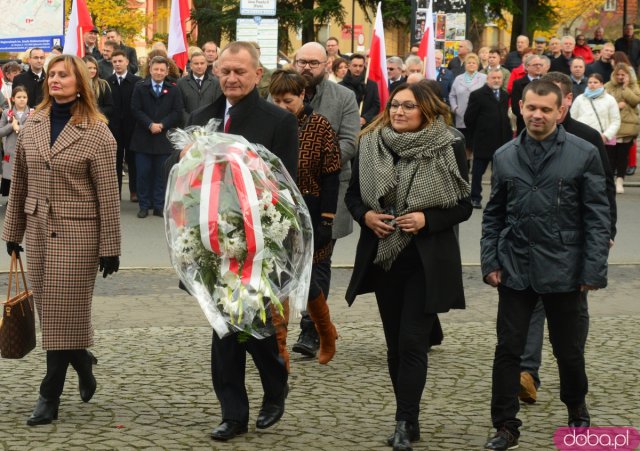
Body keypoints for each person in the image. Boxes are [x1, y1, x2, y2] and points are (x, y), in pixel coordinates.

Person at [165, 41, 297, 442]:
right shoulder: (202, 117)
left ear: (259, 75)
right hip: (210, 243)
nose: (231, 78)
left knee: (254, 326)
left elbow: (285, 183)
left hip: (259, 244)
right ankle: (233, 413)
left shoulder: (278, 120)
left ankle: (275, 387)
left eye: (240, 71)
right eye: (225, 71)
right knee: (223, 330)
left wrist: (272, 234)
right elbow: (187, 179)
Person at [481, 80, 610, 450]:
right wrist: (491, 260)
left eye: (545, 109)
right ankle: (506, 425)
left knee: (568, 350)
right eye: (531, 108)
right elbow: (494, 215)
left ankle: (577, 411)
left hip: (565, 269)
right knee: (508, 350)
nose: (537, 115)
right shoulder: (505, 154)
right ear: (520, 107)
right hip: (516, 269)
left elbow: (597, 217)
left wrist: (592, 270)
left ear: (560, 111)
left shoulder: (583, 153)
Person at [345, 82, 471, 451]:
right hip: (385, 258)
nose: (399, 112)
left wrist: (427, 219)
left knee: (413, 341)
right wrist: (366, 216)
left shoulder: (449, 145)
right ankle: (408, 417)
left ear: (426, 111)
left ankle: (405, 420)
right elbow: (353, 196)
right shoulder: (370, 144)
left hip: (426, 261)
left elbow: (464, 204)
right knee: (395, 346)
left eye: (408, 106)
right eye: (395, 105)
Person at [1, 54, 121, 426]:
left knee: (63, 310)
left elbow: (109, 195)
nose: (55, 80)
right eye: (51, 74)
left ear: (80, 82)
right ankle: (82, 361)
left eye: (63, 75)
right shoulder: (33, 122)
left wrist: (110, 247)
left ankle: (49, 393)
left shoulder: (98, 131)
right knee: (54, 312)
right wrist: (12, 232)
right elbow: (19, 180)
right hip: (37, 231)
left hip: (79, 234)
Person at [518, 71, 617, 406]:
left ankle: (573, 371)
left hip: (572, 247)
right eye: (535, 105)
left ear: (565, 103)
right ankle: (528, 372)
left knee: (575, 313)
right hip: (535, 248)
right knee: (534, 309)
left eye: (551, 104)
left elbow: (603, 193)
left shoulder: (587, 140)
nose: (542, 113)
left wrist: (607, 234)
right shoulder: (526, 138)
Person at [289, 41, 360, 359]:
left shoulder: (343, 97)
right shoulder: (280, 91)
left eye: (313, 63)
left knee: (319, 260)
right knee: (290, 260)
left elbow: (349, 142)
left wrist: (316, 160)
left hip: (329, 191)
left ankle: (312, 329)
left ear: (327, 64)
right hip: (287, 189)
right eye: (301, 61)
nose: (306, 67)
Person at [268, 68, 341, 369]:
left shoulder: (320, 126)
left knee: (305, 276)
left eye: (288, 100)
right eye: (277, 101)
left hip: (310, 208)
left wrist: (326, 219)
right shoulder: (268, 124)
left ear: (302, 96)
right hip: (273, 208)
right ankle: (279, 348)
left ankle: (326, 331)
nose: (283, 107)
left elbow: (332, 174)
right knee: (276, 277)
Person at [130, 56, 184, 218]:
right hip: (143, 138)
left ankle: (159, 205)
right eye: (156, 69)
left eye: (162, 70)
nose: (159, 73)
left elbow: (177, 112)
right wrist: (149, 124)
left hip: (163, 138)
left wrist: (162, 124)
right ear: (150, 69)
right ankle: (144, 205)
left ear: (167, 71)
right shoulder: (140, 87)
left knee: (161, 174)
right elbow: (135, 109)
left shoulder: (173, 89)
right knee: (143, 173)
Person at [464, 68, 512, 210]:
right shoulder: (477, 95)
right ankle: (475, 198)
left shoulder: (504, 95)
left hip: (501, 140)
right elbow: (469, 119)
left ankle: (495, 198)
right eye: (494, 78)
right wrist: (477, 134)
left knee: (497, 174)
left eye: (499, 78)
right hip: (483, 140)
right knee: (478, 172)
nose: (496, 80)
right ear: (488, 79)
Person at [108, 50, 142, 197]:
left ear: (127, 62)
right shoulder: (108, 82)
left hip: (132, 127)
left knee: (132, 160)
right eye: (114, 62)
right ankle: (116, 192)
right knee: (115, 160)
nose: (117, 64)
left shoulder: (136, 81)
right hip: (113, 127)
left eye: (120, 61)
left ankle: (134, 191)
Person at [604, 63, 640, 193]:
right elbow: (604, 101)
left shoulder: (633, 86)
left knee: (622, 156)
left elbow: (636, 100)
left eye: (622, 75)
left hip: (627, 126)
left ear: (628, 76)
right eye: (618, 74)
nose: (620, 77)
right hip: (611, 126)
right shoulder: (608, 86)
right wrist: (615, 105)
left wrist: (625, 88)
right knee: (610, 156)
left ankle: (620, 181)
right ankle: (610, 181)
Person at [449, 53, 486, 167]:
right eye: (469, 62)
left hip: (478, 117)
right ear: (465, 64)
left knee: (476, 142)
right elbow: (452, 95)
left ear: (477, 65)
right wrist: (455, 108)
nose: (471, 64)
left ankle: (476, 165)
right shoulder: (458, 78)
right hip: (461, 116)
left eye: (474, 63)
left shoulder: (483, 78)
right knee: (465, 141)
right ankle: (465, 164)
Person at [570, 73, 620, 150]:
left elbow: (616, 121)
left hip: (602, 140)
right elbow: (572, 119)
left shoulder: (610, 99)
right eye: (590, 82)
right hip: (582, 139)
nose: (592, 84)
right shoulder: (579, 99)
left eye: (595, 82)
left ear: (601, 84)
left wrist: (606, 136)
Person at [0, 86, 31, 201]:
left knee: (26, 177)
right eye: (19, 97)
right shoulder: (7, 113)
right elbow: (0, 131)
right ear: (13, 99)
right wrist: (11, 126)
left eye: (24, 97)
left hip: (27, 151)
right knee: (11, 178)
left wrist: (20, 127)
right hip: (11, 151)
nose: (22, 99)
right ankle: (12, 201)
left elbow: (33, 130)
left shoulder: (32, 113)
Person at [176, 51, 222, 125]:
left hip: (209, 127)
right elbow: (179, 107)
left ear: (206, 65)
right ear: (191, 65)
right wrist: (190, 121)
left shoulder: (216, 83)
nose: (199, 66)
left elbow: (218, 105)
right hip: (187, 126)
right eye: (196, 63)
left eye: (202, 63)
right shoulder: (181, 83)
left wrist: (209, 123)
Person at [340, 53, 380, 128]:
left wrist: (365, 118)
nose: (358, 69)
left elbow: (376, 105)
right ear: (349, 66)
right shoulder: (340, 86)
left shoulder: (372, 85)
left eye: (360, 66)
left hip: (366, 127)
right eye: (355, 66)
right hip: (345, 126)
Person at [511, 54, 544, 134]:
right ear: (527, 66)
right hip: (524, 124)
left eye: (540, 65)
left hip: (543, 124)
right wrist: (531, 117)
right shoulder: (518, 84)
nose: (538, 67)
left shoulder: (546, 83)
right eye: (536, 65)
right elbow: (516, 107)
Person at [83, 55, 113, 120]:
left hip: (98, 121)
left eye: (95, 68)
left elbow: (110, 107)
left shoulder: (103, 84)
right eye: (89, 68)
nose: (93, 70)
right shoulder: (76, 84)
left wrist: (95, 112)